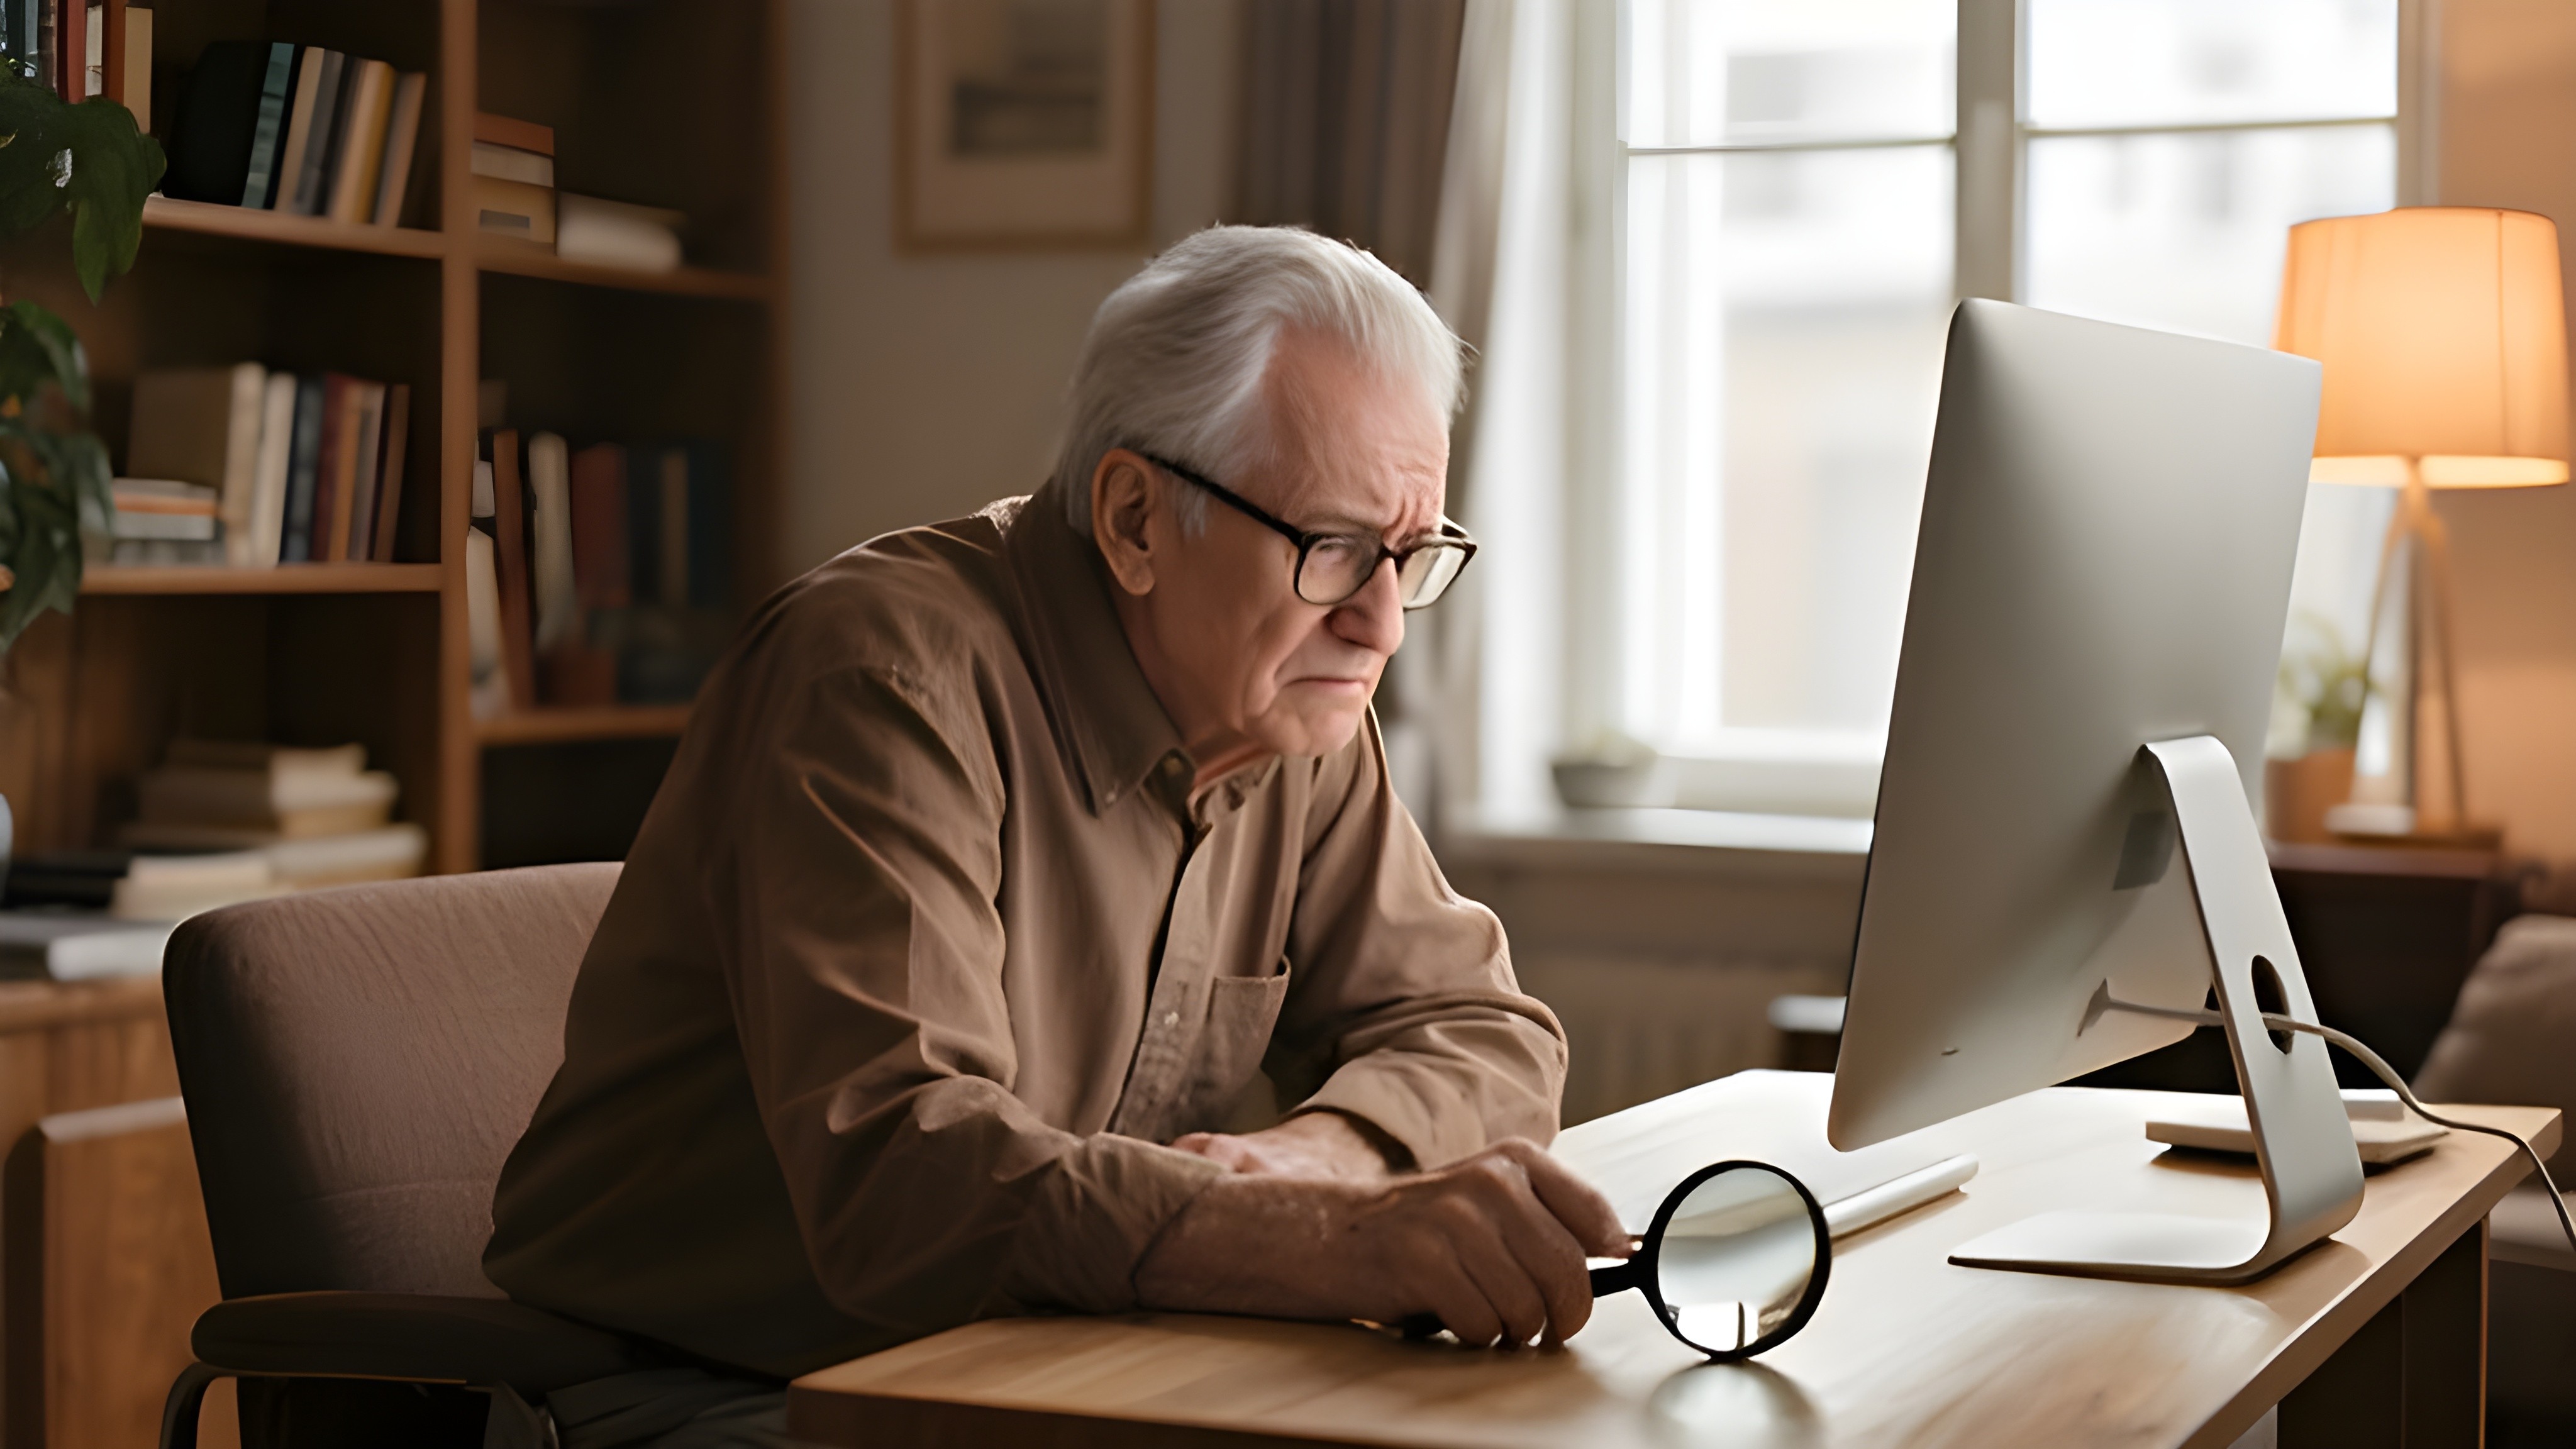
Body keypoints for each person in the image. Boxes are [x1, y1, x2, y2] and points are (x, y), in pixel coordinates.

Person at [483, 225, 1628, 1446]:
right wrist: (1319, 1242)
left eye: (1410, 557)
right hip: (700, 1387)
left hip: (1045, 1364)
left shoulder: (1291, 716)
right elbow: (904, 1182)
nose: (1381, 628)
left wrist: (1329, 1158)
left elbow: (1484, 1035)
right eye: (1334, 549)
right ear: (1135, 518)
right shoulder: (881, 684)